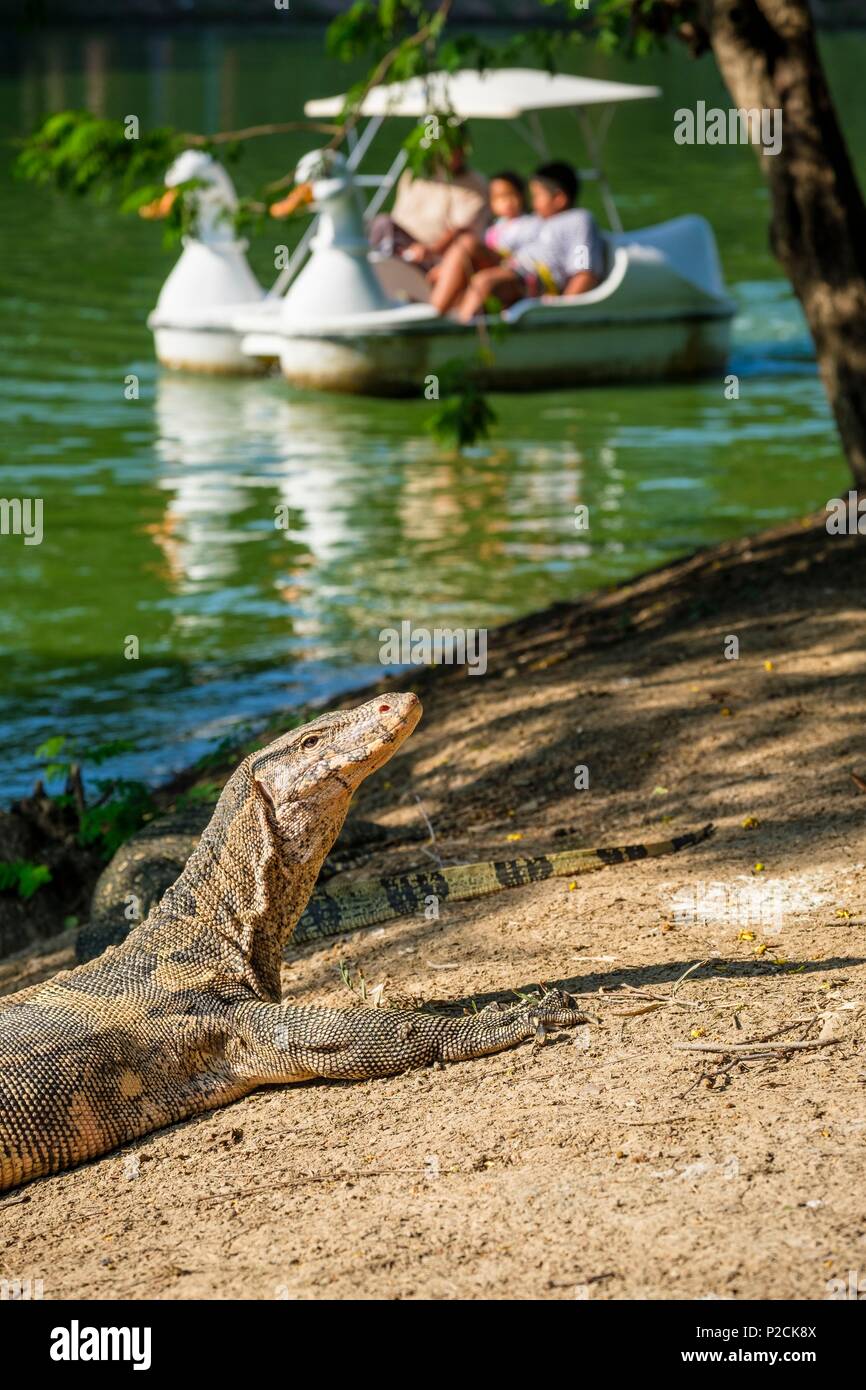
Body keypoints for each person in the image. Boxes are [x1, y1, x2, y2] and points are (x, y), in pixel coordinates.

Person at [443, 161, 606, 323]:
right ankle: (438, 314)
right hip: (512, 266)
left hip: (536, 281)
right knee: (466, 244)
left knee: (483, 281)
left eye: (537, 196)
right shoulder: (537, 219)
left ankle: (460, 331)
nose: (533, 203)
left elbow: (584, 273)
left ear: (559, 198)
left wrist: (562, 313)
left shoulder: (578, 220)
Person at [368, 126, 489, 271]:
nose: (448, 152)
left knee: (383, 223)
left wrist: (430, 250)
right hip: (401, 245)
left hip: (434, 258)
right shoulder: (413, 175)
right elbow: (397, 217)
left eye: (453, 146)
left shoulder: (475, 185)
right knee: (379, 224)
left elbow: (460, 231)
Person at [429, 170, 541, 312]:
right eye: (498, 198)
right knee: (446, 269)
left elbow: (529, 260)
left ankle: (441, 314)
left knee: (467, 245)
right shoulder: (493, 228)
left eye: (510, 195)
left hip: (516, 274)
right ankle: (437, 311)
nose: (506, 202)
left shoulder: (530, 224)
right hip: (493, 267)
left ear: (521, 196)